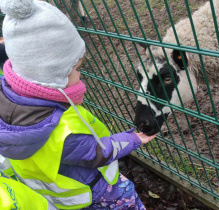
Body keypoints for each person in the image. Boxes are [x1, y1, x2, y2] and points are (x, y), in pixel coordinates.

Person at [0, 0, 156, 209]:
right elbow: (97, 152)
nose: (81, 74)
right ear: (53, 77)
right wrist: (133, 139)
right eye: (75, 69)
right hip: (96, 190)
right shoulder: (62, 131)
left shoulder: (11, 103)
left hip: (59, 194)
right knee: (128, 201)